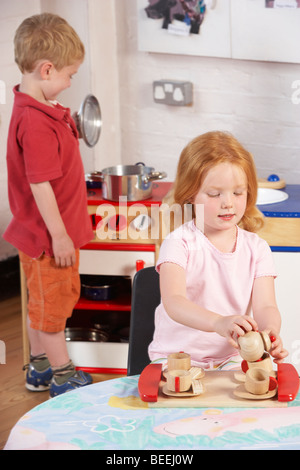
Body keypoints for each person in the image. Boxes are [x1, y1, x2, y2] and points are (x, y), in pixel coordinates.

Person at [3, 13, 94, 397]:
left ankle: (38, 367)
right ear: (47, 69)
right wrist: (59, 235)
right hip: (47, 238)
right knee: (53, 309)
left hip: (40, 235)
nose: (70, 82)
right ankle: (63, 374)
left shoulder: (39, 108)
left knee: (40, 303)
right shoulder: (36, 122)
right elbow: (40, 184)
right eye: (69, 75)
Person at [149, 131, 288, 370]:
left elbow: (266, 306)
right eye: (215, 194)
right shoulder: (179, 242)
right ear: (190, 194)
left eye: (238, 192)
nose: (228, 203)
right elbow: (174, 302)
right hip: (175, 357)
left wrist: (269, 333)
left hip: (231, 359)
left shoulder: (257, 248)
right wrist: (219, 323)